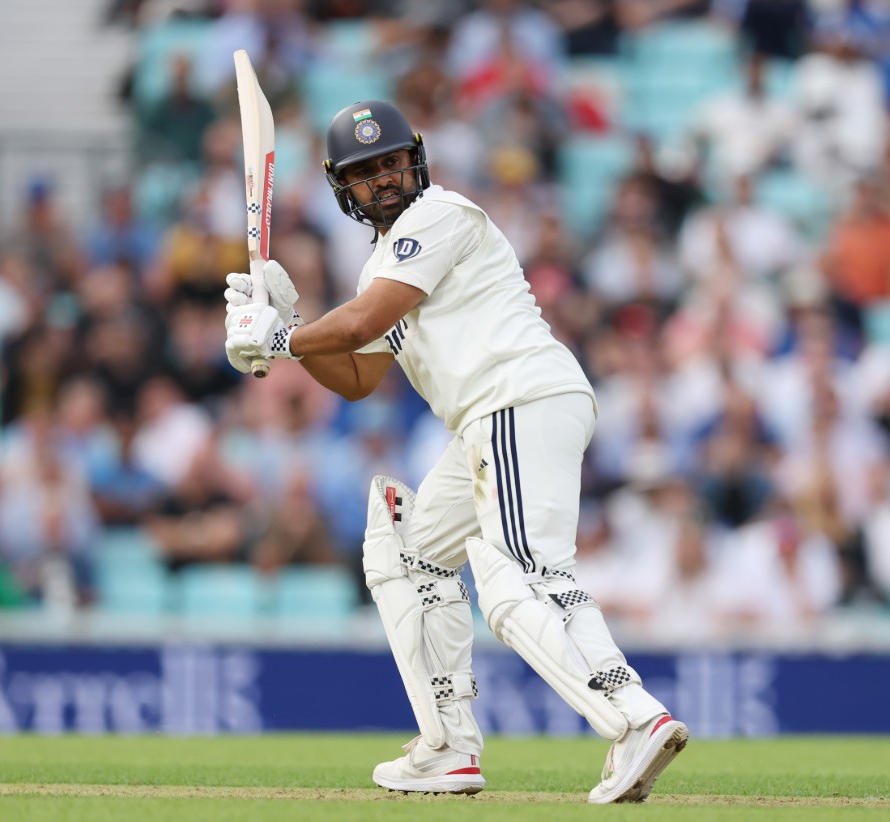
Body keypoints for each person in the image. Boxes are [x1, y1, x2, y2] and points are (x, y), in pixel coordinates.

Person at [223, 100, 687, 803]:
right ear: (342, 188)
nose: (383, 179)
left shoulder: (441, 215)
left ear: (416, 160)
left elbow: (362, 323)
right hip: (490, 422)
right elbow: (356, 375)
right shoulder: (381, 265)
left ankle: (632, 717)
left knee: (517, 579)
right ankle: (447, 746)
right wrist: (288, 325)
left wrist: (281, 338)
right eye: (365, 172)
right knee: (407, 547)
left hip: (516, 398)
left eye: (390, 163)